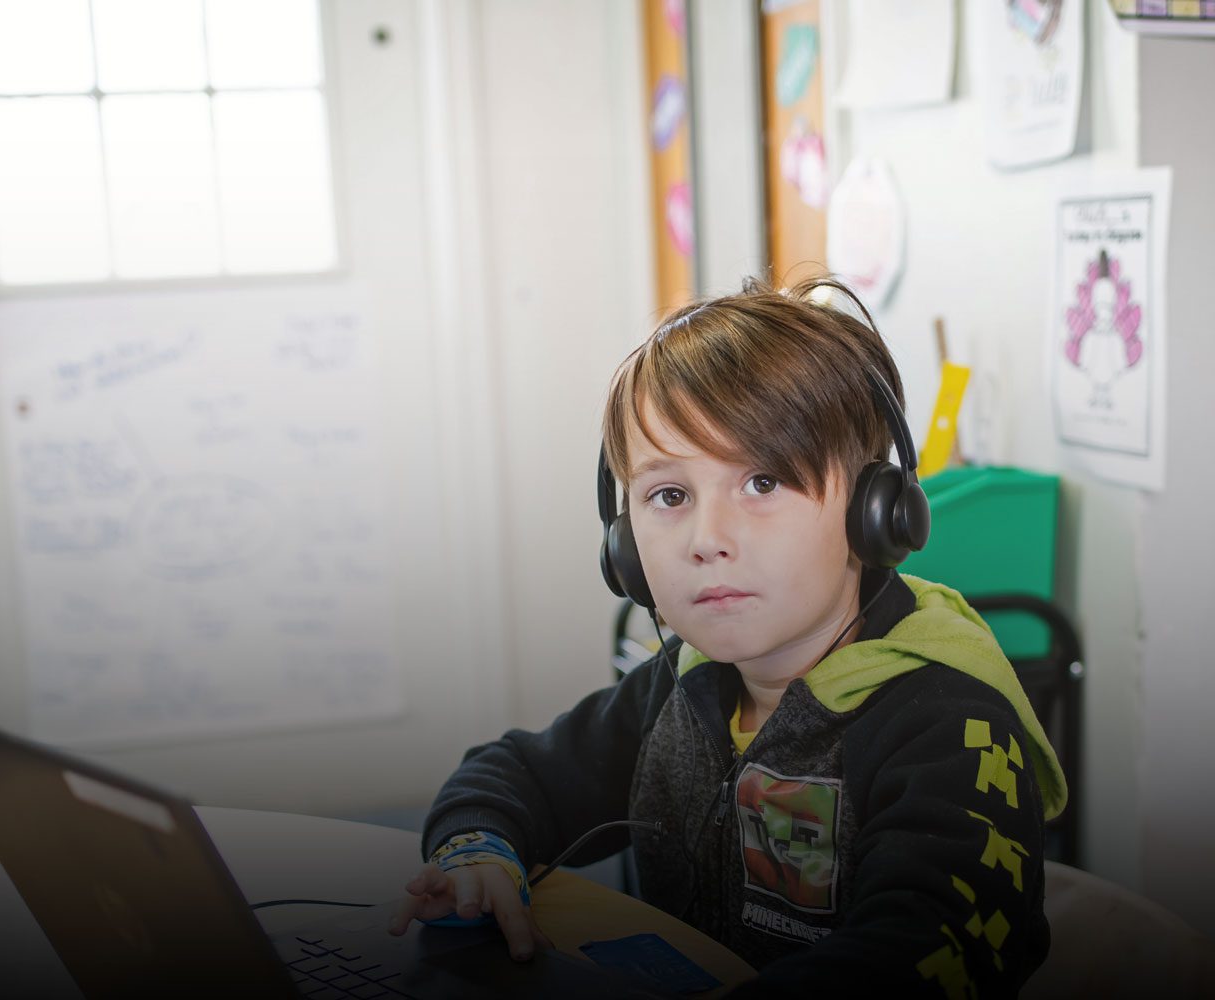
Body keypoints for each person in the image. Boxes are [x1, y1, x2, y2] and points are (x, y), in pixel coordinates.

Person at [389, 275, 1066, 996]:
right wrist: (478, 854)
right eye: (669, 496)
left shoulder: (952, 728)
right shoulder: (684, 683)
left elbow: (921, 955)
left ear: (877, 511)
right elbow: (513, 774)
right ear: (624, 547)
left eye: (763, 482)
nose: (707, 539)